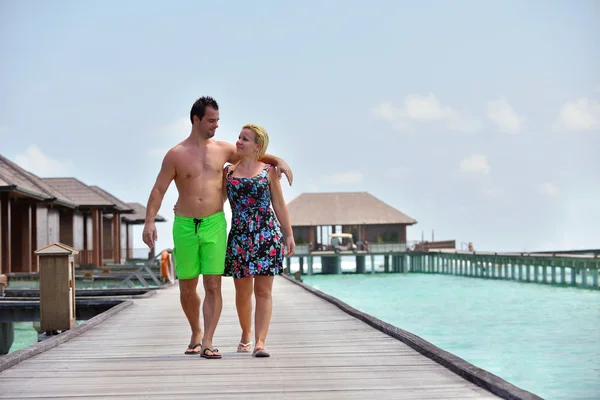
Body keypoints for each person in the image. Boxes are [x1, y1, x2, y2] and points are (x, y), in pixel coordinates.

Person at [141, 96, 293, 360]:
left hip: (216, 223)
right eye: (211, 121)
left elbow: (254, 153)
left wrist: (279, 161)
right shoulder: (175, 155)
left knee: (213, 285)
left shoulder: (223, 150)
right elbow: (158, 189)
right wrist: (149, 220)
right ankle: (197, 333)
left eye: (218, 120)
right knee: (187, 287)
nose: (216, 126)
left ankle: (210, 341)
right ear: (196, 119)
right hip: (186, 225)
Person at [223, 123, 295, 358]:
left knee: (264, 291)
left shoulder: (269, 171)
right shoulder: (228, 172)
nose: (239, 141)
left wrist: (289, 234)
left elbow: (279, 204)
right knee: (242, 293)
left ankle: (260, 342)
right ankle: (246, 335)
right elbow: (214, 201)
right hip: (240, 237)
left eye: (245, 139)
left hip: (266, 235)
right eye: (239, 137)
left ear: (257, 146)